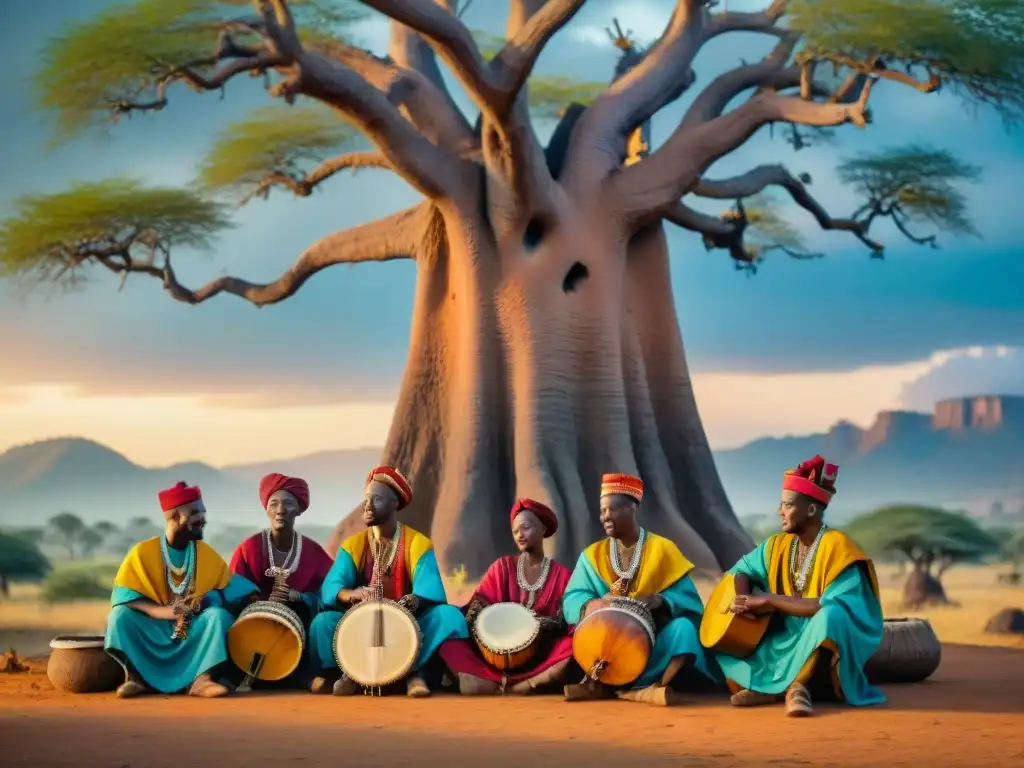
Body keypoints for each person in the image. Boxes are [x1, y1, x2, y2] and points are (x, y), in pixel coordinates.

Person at [715, 455, 885, 717]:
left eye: (787, 505)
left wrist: (768, 600)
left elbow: (822, 606)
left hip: (820, 637)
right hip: (782, 638)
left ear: (811, 510)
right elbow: (741, 571)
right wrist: (745, 603)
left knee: (831, 616)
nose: (779, 511)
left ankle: (797, 687)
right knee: (722, 652)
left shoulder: (838, 547)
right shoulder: (776, 545)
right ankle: (771, 688)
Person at [307, 466, 469, 697]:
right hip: (362, 624)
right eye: (366, 499)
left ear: (395, 503)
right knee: (323, 623)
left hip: (409, 628)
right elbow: (331, 588)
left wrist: (408, 603)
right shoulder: (353, 545)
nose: (368, 505)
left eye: (377, 499)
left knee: (448, 616)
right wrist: (353, 594)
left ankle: (415, 674)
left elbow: (429, 589)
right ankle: (342, 674)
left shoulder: (417, 543)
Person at [562, 473, 718, 706]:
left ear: (632, 508)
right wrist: (593, 603)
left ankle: (655, 687)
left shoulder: (663, 549)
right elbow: (572, 598)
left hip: (652, 643)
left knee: (684, 629)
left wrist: (662, 600)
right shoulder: (591, 556)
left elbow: (689, 600)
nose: (605, 517)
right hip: (606, 642)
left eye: (612, 510)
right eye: (602, 511)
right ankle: (599, 682)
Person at [105, 481, 258, 698]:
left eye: (203, 512)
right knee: (120, 616)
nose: (203, 519)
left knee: (218, 616)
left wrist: (211, 599)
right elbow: (124, 596)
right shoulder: (142, 553)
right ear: (176, 517)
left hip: (191, 629)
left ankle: (202, 680)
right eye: (196, 513)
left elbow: (227, 587)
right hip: (154, 628)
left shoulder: (205, 553)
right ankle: (137, 678)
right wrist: (163, 612)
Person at [438, 498, 575, 695]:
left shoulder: (562, 575)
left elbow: (566, 621)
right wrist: (491, 630)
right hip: (493, 658)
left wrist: (542, 625)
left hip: (540, 657)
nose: (520, 535)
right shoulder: (501, 568)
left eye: (526, 528)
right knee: (450, 637)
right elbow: (476, 608)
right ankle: (491, 681)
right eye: (516, 531)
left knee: (571, 645)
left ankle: (528, 684)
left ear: (543, 529)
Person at [227, 472, 334, 689]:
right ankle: (238, 675)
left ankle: (307, 677)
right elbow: (233, 590)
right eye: (274, 503)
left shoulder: (313, 552)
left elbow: (329, 592)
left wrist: (297, 597)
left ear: (299, 510)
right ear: (266, 508)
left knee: (316, 624)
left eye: (288, 504)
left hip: (298, 622)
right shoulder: (249, 548)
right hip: (255, 621)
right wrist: (260, 603)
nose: (280, 510)